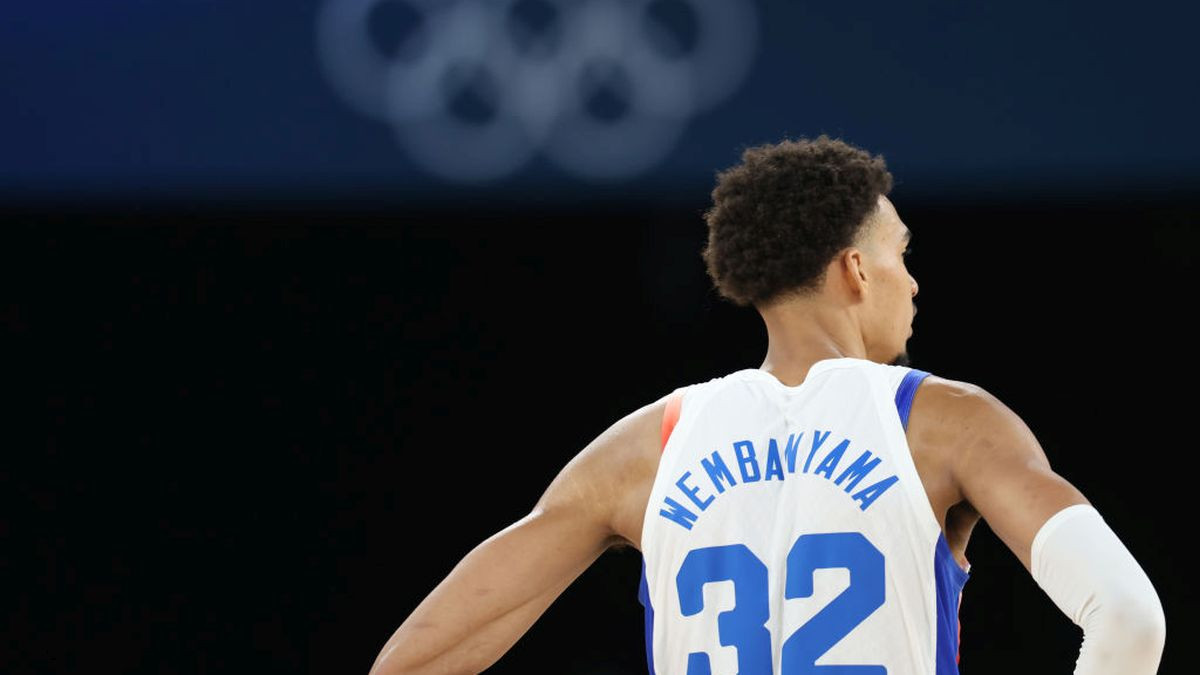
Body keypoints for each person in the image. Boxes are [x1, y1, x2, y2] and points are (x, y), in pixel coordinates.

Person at [367, 136, 1166, 674]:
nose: (914, 281)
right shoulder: (946, 423)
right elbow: (1129, 618)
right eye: (903, 255)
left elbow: (410, 662)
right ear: (855, 270)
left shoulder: (644, 448)